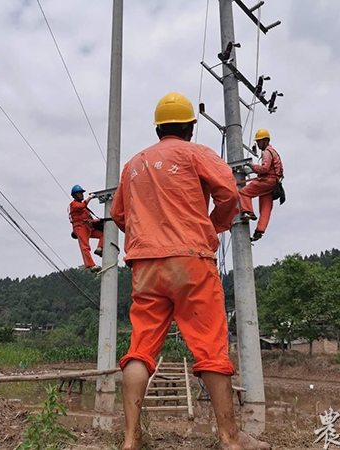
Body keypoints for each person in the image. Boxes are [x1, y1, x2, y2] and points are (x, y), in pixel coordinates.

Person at [110, 92, 270, 450]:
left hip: (145, 265)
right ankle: (230, 439)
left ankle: (131, 439)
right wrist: (213, 226)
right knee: (211, 348)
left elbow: (120, 215)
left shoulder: (134, 164)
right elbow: (229, 191)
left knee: (140, 349)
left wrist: (147, 237)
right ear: (190, 127)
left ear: (157, 129)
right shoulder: (195, 153)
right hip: (191, 260)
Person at [239, 129, 284, 242]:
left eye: (259, 142)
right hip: (274, 183)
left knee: (244, 192)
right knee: (265, 208)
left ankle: (248, 212)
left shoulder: (267, 152)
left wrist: (252, 166)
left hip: (267, 180)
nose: (258, 144)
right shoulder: (274, 152)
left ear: (265, 141)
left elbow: (264, 169)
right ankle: (260, 230)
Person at [69, 184, 103, 273]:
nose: (82, 195)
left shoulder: (84, 208)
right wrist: (90, 198)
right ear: (75, 195)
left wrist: (98, 221)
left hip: (88, 227)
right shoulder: (73, 205)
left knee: (103, 234)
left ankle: (99, 248)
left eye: (82, 193)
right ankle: (90, 265)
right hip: (80, 227)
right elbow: (81, 206)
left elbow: (88, 218)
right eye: (80, 193)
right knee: (85, 247)